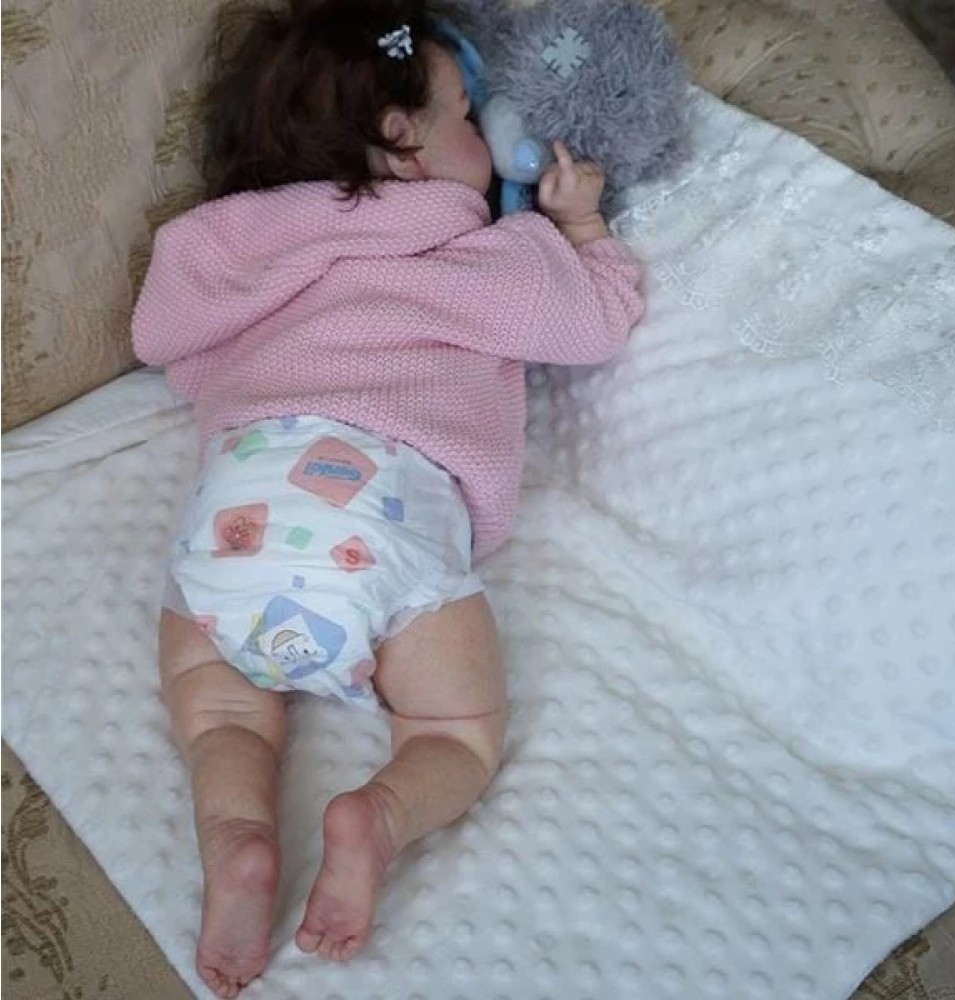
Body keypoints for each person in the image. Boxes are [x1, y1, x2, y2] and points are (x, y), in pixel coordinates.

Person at [132, 0, 644, 995]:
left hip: (237, 520)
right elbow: (596, 320)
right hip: (384, 518)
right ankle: (380, 815)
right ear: (405, 142)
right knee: (456, 731)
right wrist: (578, 227)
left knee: (218, 707)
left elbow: (161, 331)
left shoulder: (239, 252)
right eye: (465, 115)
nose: (481, 132)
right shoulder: (470, 256)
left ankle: (236, 837)